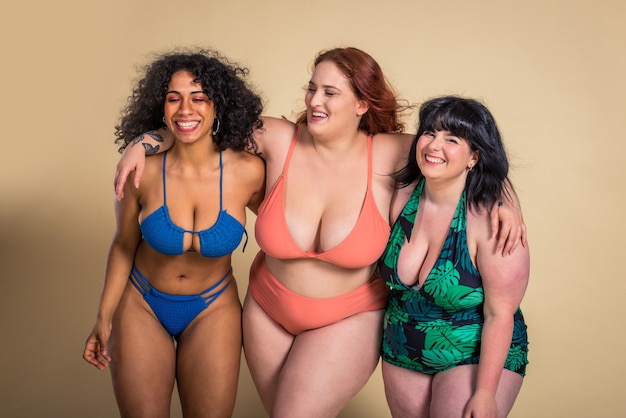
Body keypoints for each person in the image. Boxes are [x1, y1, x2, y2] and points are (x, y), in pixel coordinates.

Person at [113, 48, 527, 417]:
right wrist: (145, 141)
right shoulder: (276, 138)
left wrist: (506, 202)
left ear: (363, 103)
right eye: (312, 88)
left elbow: (465, 155)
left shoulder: (391, 152)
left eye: (330, 92)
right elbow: (199, 124)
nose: (313, 100)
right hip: (267, 312)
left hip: (347, 318)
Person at [82, 49, 265, 418]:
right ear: (160, 106)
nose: (185, 110)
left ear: (218, 106)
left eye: (199, 98)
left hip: (214, 307)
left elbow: (284, 233)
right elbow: (123, 245)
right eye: (173, 98)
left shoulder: (249, 171)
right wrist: (103, 317)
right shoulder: (141, 171)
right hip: (141, 303)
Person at [378, 96, 530, 418]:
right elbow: (350, 141)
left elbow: (500, 314)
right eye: (430, 133)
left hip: (471, 355)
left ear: (474, 156)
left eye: (452, 139)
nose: (435, 146)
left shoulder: (492, 222)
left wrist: (486, 393)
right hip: (401, 348)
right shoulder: (403, 193)